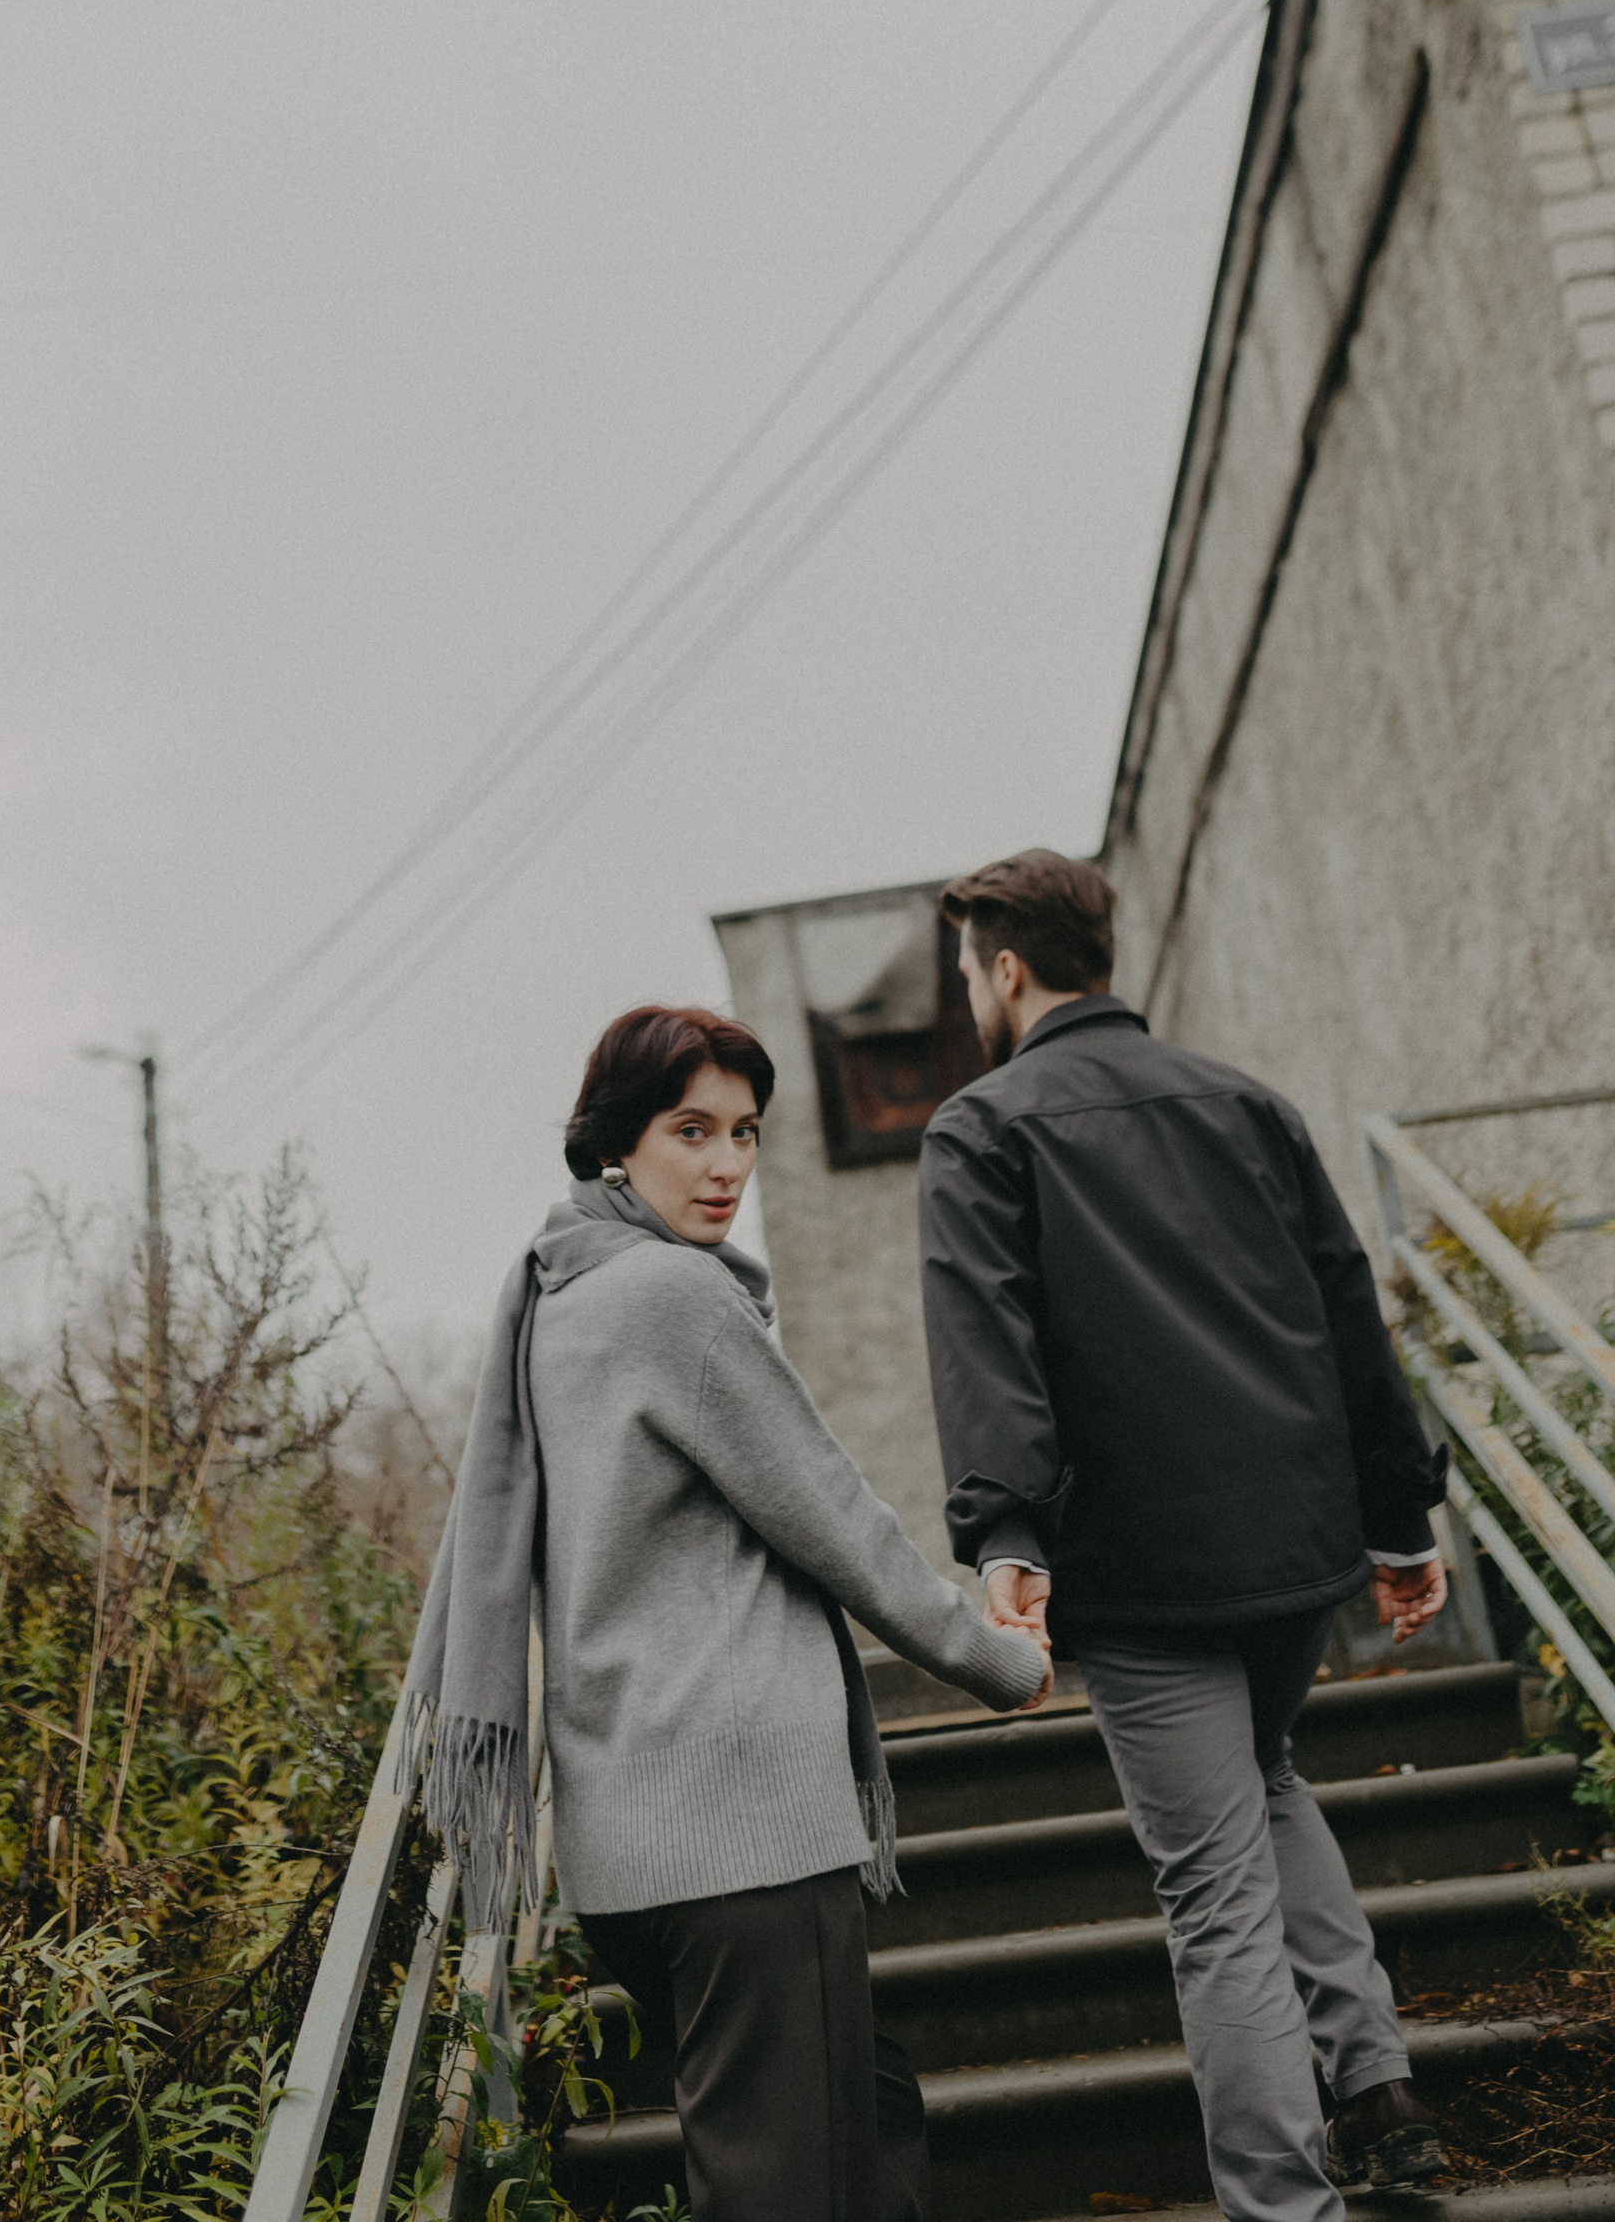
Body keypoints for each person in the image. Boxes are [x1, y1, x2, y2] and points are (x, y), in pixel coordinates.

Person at [404, 1002, 1050, 2222]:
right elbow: (837, 1520)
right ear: (616, 1143)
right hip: (740, 1829)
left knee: (869, 2117)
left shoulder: (563, 1296)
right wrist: (993, 1659)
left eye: (745, 1132)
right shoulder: (672, 1297)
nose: (726, 1165)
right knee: (783, 2183)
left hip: (637, 1845)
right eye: (690, 1130)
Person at [917, 850, 1451, 2222]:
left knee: (1214, 1894)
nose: (970, 991)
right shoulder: (1248, 1103)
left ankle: (1284, 2204)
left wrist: (1007, 1536)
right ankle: (1378, 2087)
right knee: (1264, 1779)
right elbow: (1347, 1313)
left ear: (1006, 969)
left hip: (1144, 1575)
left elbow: (987, 1347)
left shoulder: (981, 1128)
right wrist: (1400, 1519)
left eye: (968, 969)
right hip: (1296, 1552)